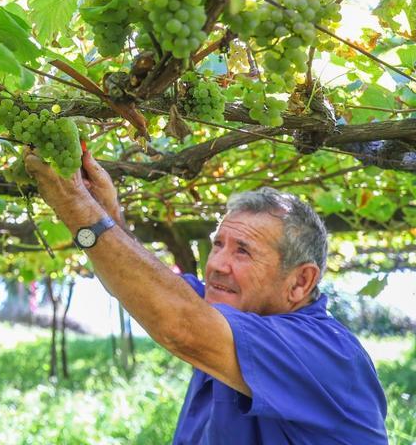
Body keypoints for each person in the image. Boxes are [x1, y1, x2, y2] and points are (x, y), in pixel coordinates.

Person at [25, 149, 388, 445]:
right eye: (218, 244)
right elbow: (156, 295)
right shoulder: (229, 308)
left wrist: (75, 204)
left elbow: (179, 324)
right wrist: (108, 214)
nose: (217, 264)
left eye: (242, 251)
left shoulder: (323, 352)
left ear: (300, 282)